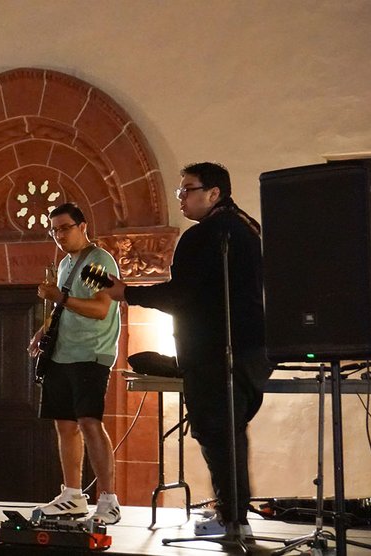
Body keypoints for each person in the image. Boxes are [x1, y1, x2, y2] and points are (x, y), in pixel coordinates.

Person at [104, 162, 272, 537]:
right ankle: (235, 517)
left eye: (187, 189)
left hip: (214, 352)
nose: (180, 197)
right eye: (179, 190)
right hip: (253, 350)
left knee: (216, 435)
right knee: (232, 434)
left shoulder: (204, 235)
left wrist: (126, 292)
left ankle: (231, 519)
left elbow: (180, 296)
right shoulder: (249, 228)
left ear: (214, 193)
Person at [27, 202, 122, 525]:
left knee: (89, 422)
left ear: (83, 227)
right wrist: (43, 331)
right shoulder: (67, 263)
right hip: (62, 353)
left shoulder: (96, 261)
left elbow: (100, 309)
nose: (59, 235)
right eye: (54, 230)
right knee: (65, 425)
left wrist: (59, 297)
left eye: (65, 228)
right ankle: (72, 495)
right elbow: (64, 307)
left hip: (89, 353)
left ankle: (108, 499)